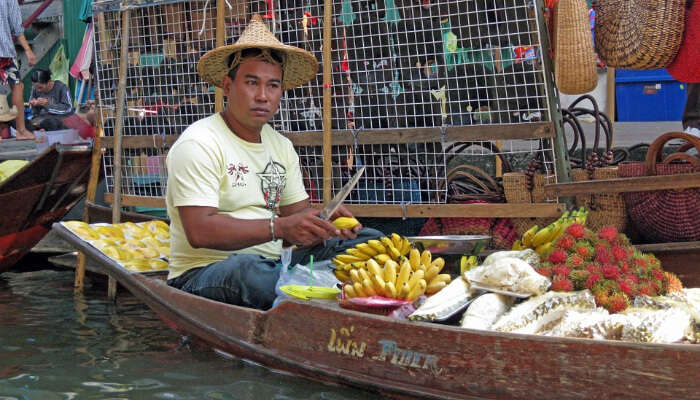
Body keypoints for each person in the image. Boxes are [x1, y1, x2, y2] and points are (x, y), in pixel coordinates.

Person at [165, 14, 381, 310]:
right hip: (206, 272)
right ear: (228, 86)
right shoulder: (199, 143)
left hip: (277, 263)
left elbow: (295, 218)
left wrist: (323, 223)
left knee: (372, 241)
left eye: (273, 86)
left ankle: (324, 291)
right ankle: (323, 292)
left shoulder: (281, 146)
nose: (263, 96)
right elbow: (199, 232)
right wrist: (279, 228)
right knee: (248, 271)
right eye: (251, 83)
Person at [0, 0, 36, 140]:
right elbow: (16, 25)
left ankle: (21, 131)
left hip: (5, 51)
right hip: (5, 52)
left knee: (17, 86)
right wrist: (27, 50)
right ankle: (21, 130)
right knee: (17, 86)